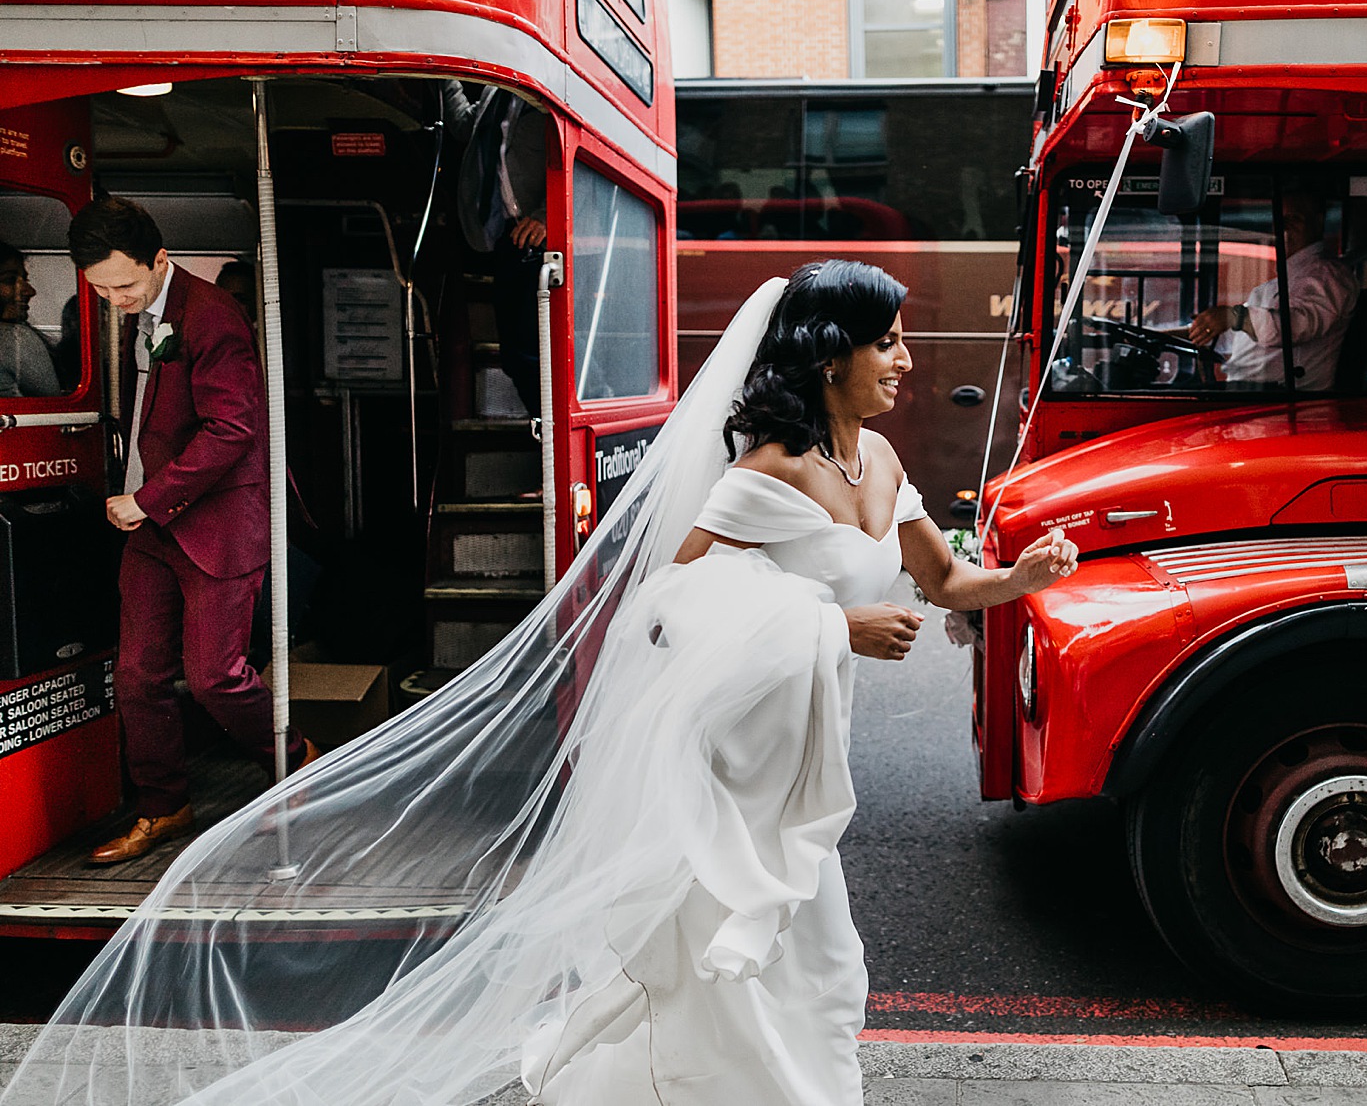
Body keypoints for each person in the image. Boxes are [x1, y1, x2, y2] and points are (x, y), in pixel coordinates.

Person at [2, 262, 1076, 1106]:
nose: (902, 355)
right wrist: (827, 624)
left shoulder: (881, 464)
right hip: (737, 746)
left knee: (804, 933)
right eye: (883, 338)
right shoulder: (765, 473)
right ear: (828, 351)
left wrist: (1018, 577)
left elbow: (942, 580)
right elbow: (667, 606)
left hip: (801, 745)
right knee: (755, 926)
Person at [67, 196, 315, 866]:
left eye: (124, 284)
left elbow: (234, 427)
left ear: (161, 261)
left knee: (215, 676)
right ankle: (163, 806)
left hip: (215, 522)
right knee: (138, 673)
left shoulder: (210, 316)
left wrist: (148, 498)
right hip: (152, 526)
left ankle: (298, 763)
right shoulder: (131, 313)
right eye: (99, 289)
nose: (114, 298)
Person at [443, 78, 547, 420]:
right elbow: (463, 126)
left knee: (539, 354)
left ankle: (552, 437)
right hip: (507, 238)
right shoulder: (494, 91)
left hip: (544, 242)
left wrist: (547, 217)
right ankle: (544, 430)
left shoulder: (549, 93)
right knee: (515, 357)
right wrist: (447, 75)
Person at [1186, 190, 1358, 390]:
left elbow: (1295, 327)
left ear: (1318, 222)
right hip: (1249, 392)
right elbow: (1237, 336)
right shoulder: (1277, 285)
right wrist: (1192, 331)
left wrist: (1234, 317)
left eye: (1294, 219)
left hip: (1281, 397)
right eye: (1280, 220)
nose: (1284, 227)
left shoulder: (1327, 275)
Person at [0, 239, 64, 398]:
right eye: (9, 280)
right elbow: (54, 411)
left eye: (25, 280)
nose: (30, 291)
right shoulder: (14, 338)